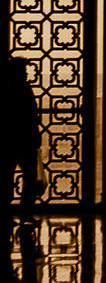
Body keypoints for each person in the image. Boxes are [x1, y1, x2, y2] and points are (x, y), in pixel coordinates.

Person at [1, 57, 41, 281]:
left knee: (7, 178)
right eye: (24, 70)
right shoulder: (23, 90)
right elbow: (31, 117)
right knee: (28, 178)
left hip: (10, 142)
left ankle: (10, 214)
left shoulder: (5, 89)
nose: (26, 73)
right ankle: (26, 214)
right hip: (23, 141)